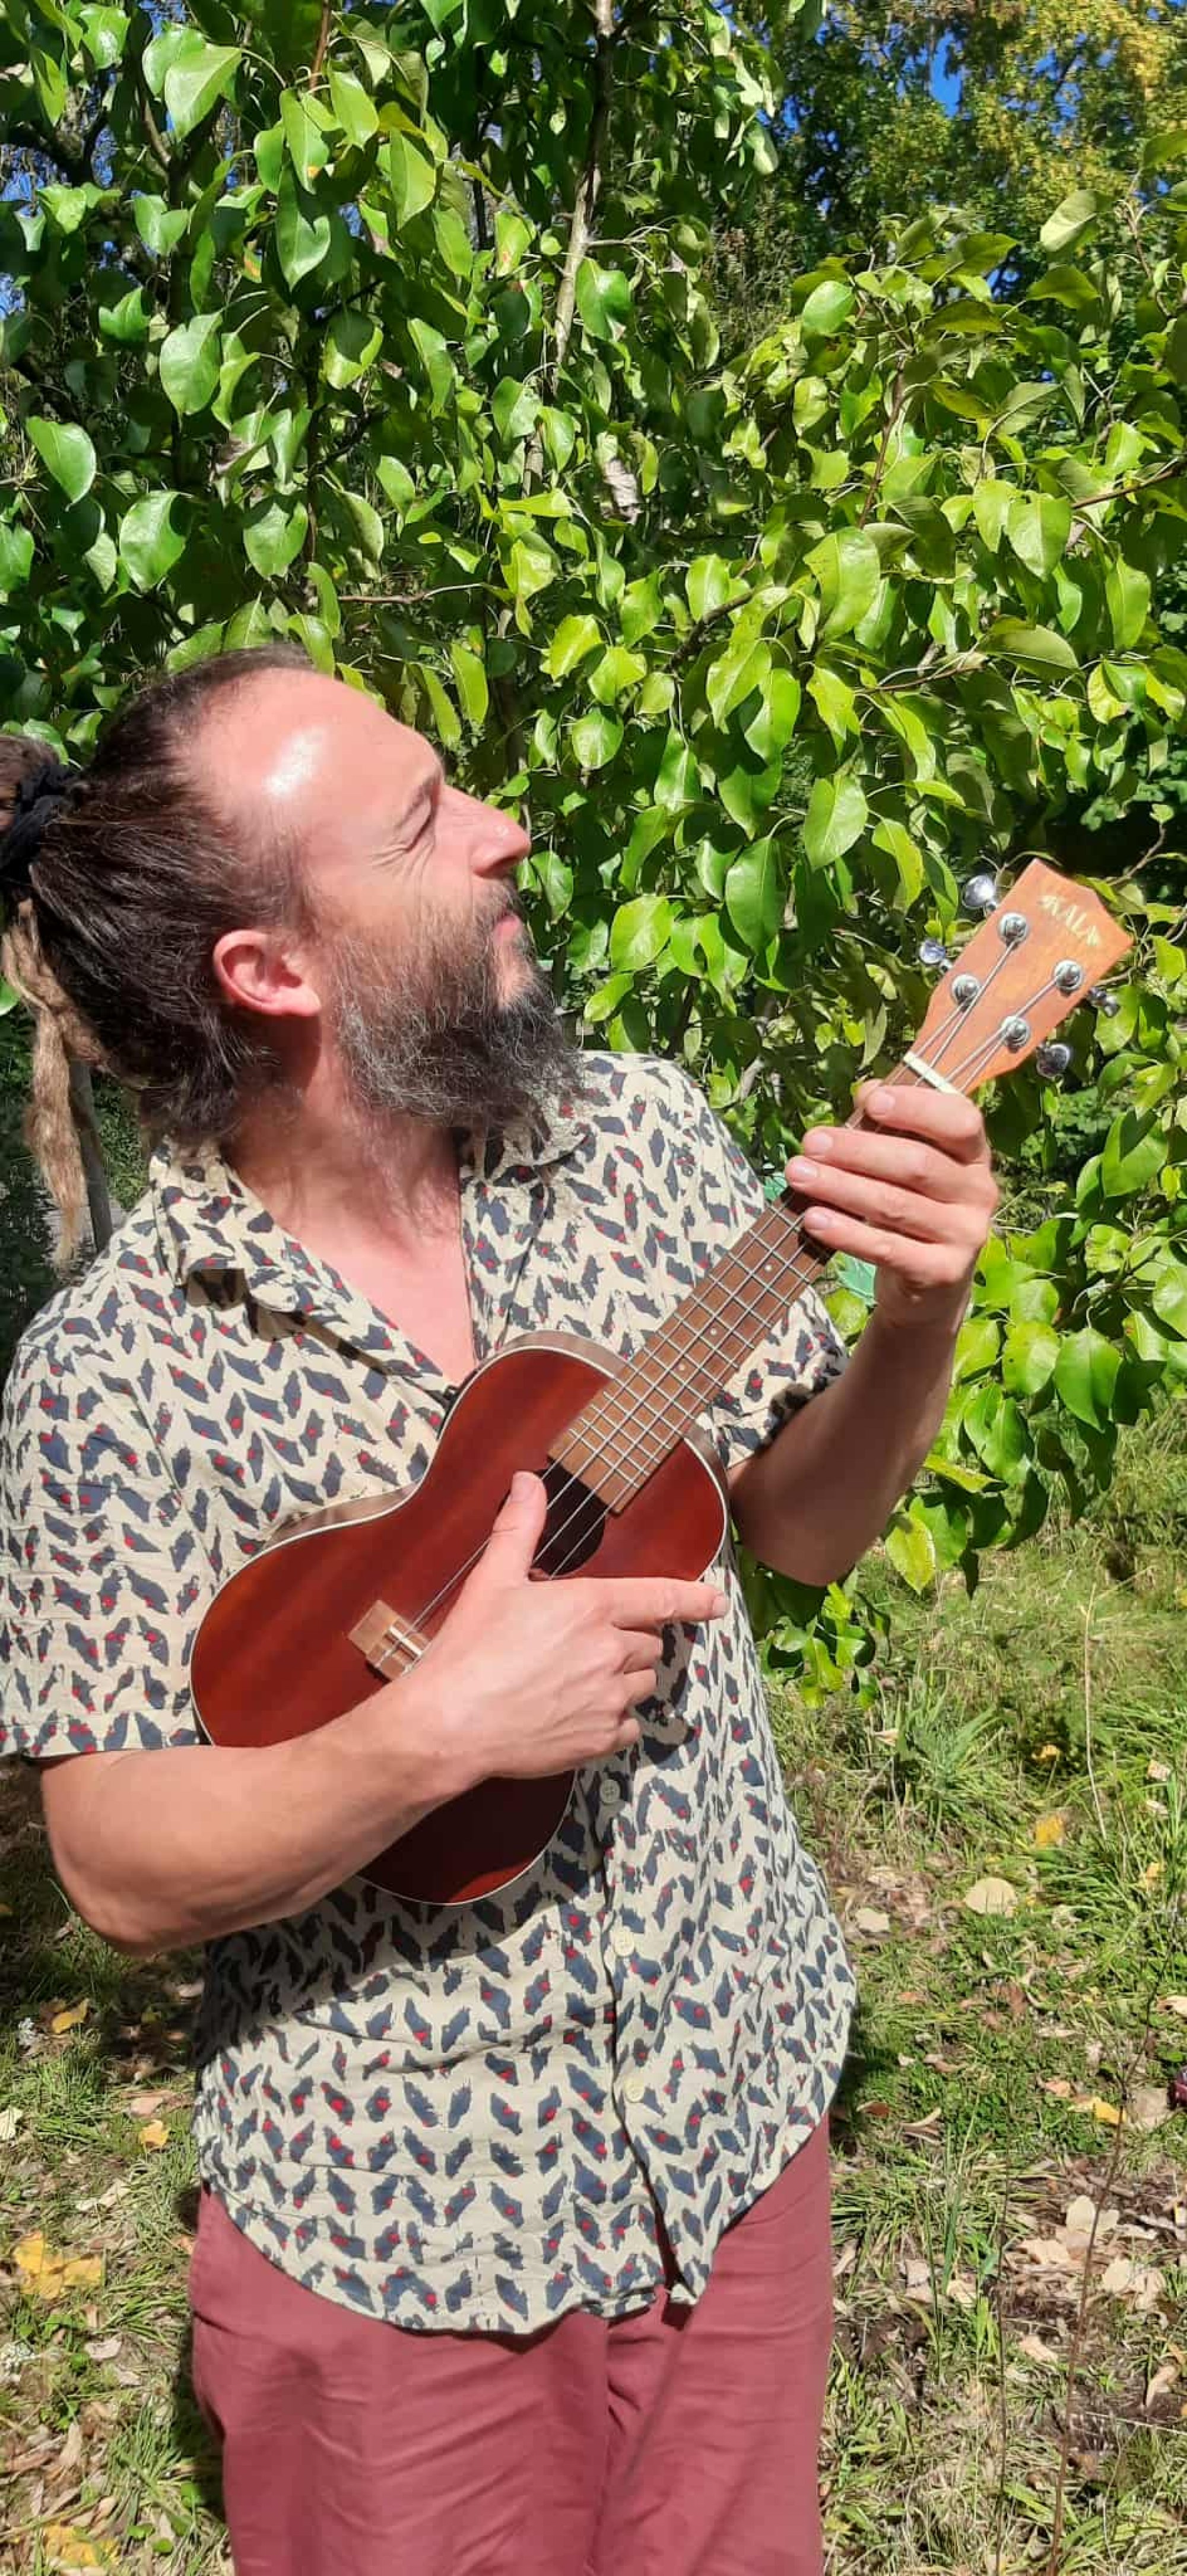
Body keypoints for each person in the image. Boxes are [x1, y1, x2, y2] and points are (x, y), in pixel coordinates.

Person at [0, 643, 997, 2576]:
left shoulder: (631, 1139)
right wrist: (436, 1729)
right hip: (399, 2242)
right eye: (424, 820)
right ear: (271, 969)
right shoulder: (115, 1371)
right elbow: (114, 1861)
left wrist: (918, 1315)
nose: (505, 827)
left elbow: (804, 1527)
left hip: (733, 2119)